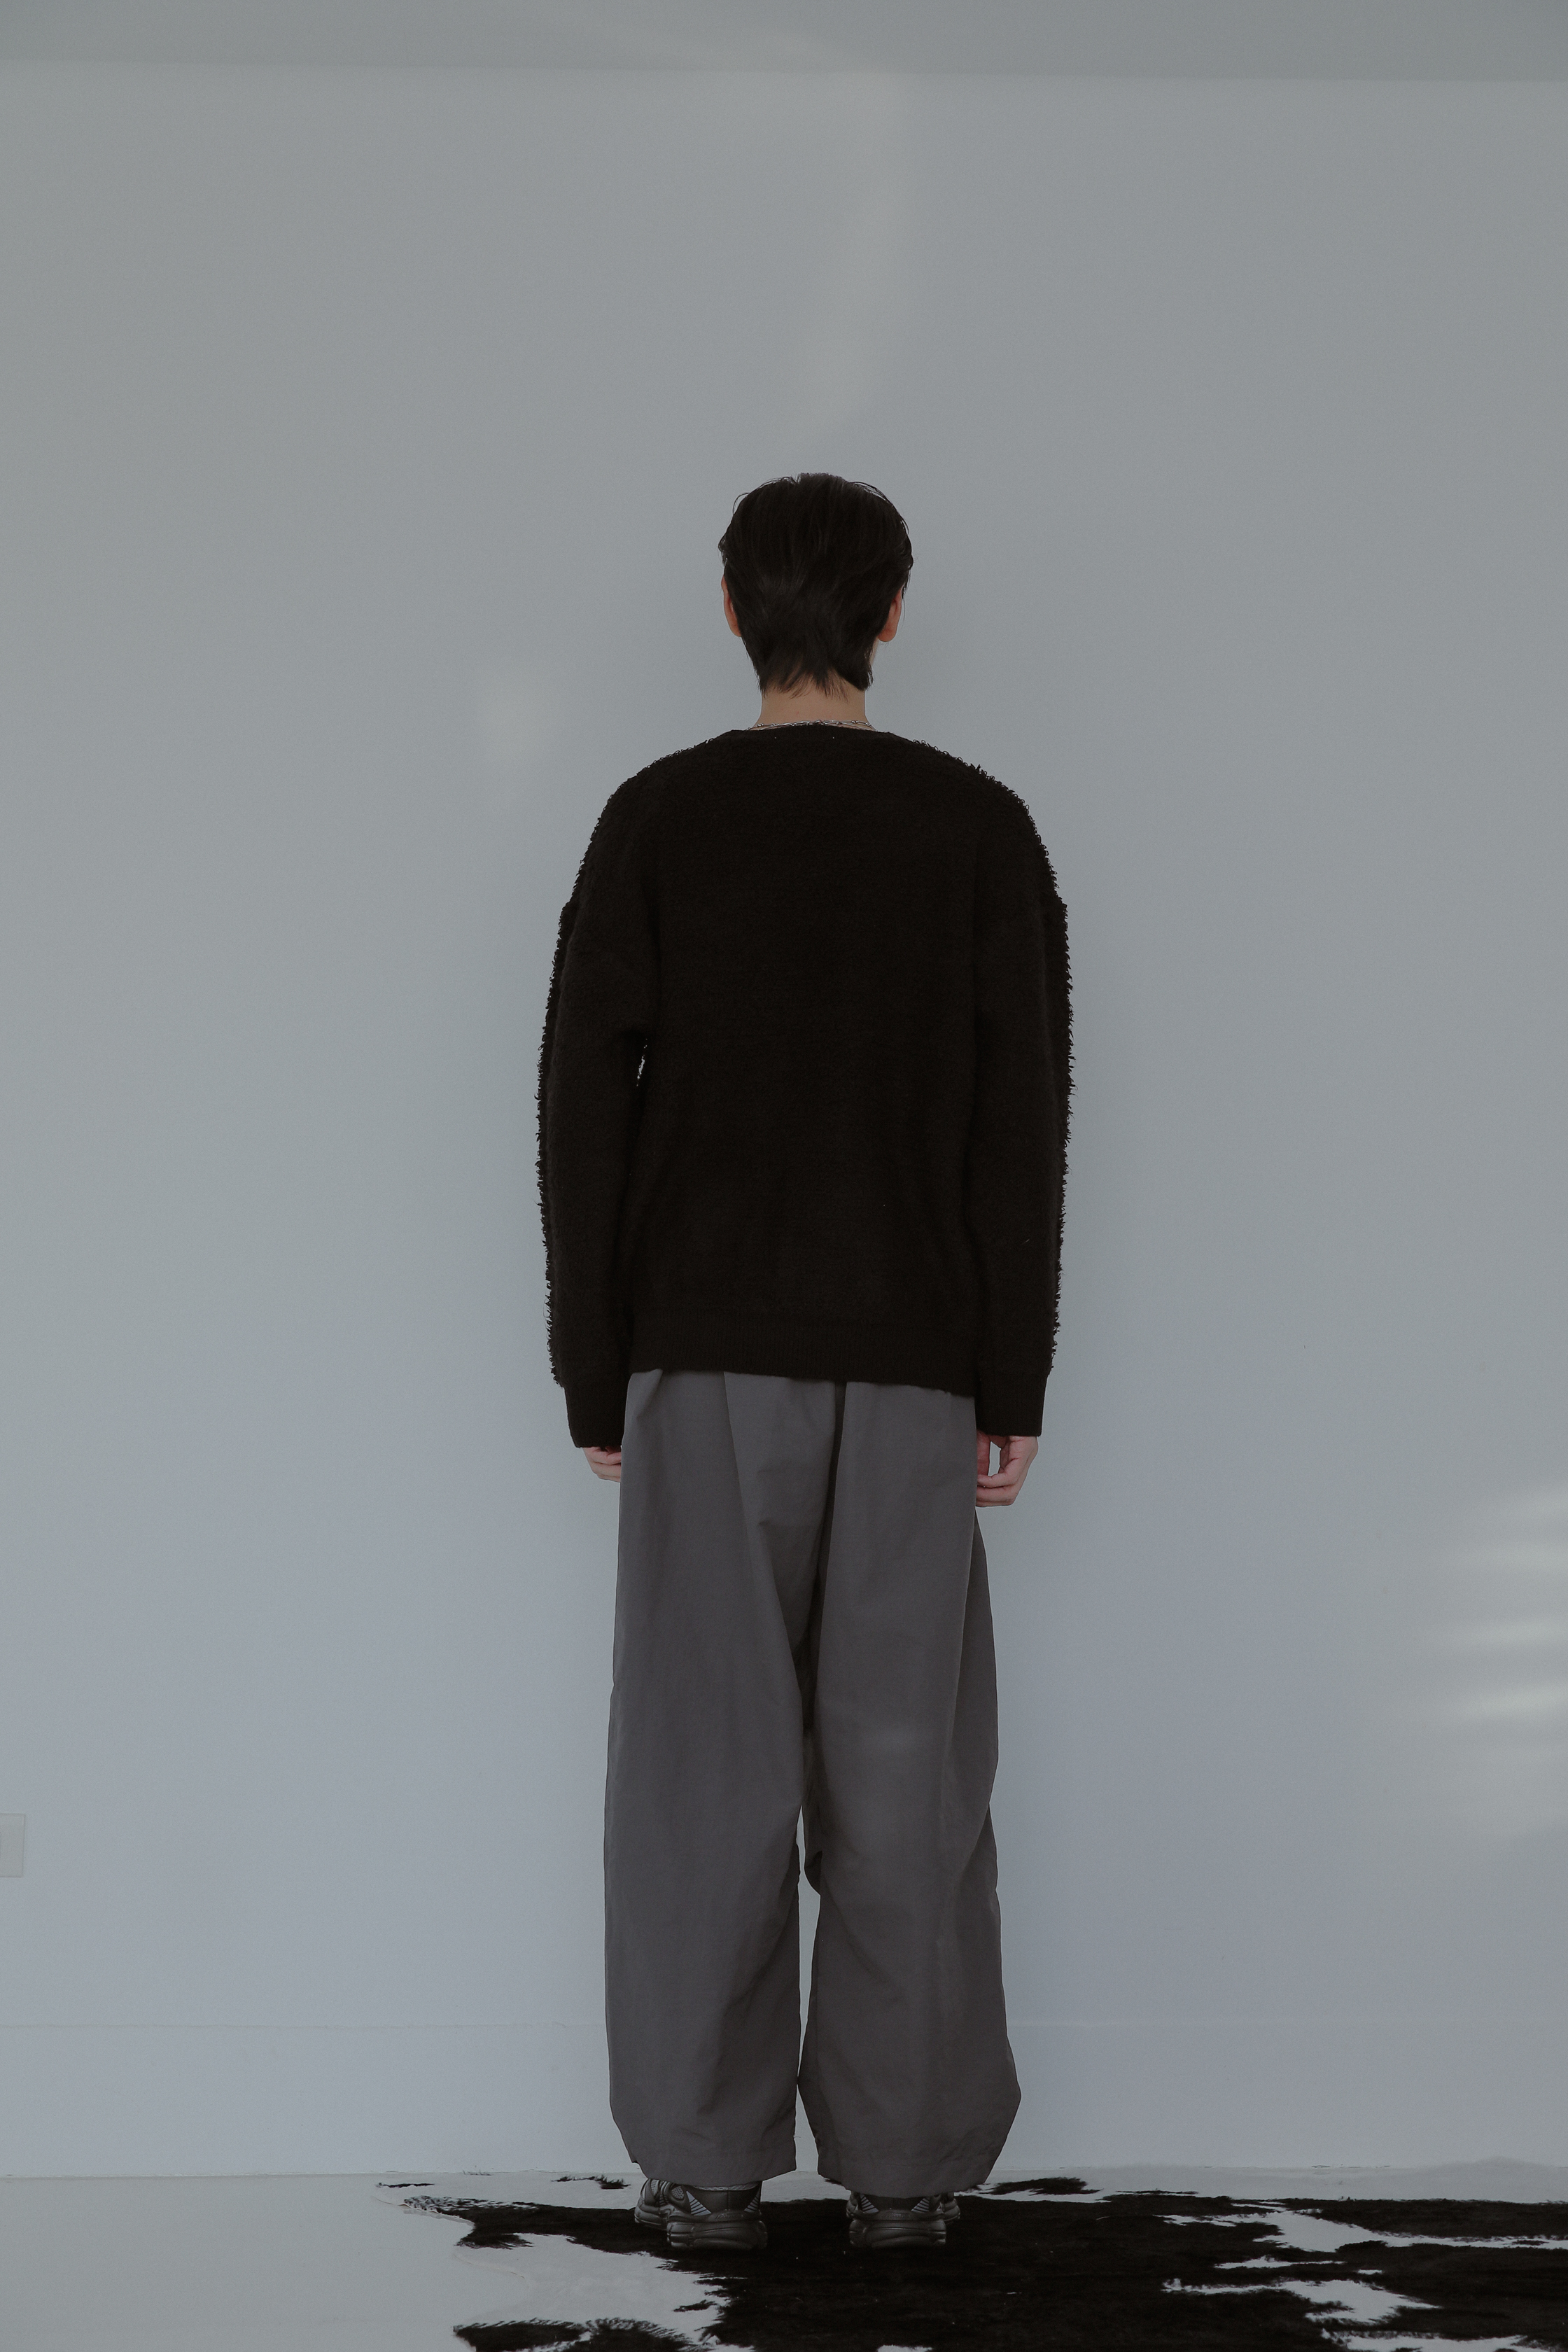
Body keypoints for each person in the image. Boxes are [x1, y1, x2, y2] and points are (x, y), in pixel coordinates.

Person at [536, 472, 1071, 2254]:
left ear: (730, 609)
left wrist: (594, 1369)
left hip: (702, 1360)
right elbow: (1020, 1122)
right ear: (893, 614)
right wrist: (1012, 1379)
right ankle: (905, 2186)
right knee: (907, 1780)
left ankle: (702, 2169)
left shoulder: (658, 818)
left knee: (701, 1770)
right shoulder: (976, 828)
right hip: (916, 1367)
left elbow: (579, 1107)